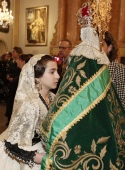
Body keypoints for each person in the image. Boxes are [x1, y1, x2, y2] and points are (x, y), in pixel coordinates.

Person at [41, 1, 125, 169]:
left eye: (102, 43)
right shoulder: (84, 62)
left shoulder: (117, 69)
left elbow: (120, 100)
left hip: (106, 126)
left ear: (110, 47)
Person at [0, 54, 60, 170]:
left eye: (57, 71)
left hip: (47, 149)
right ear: (36, 77)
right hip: (28, 152)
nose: (57, 76)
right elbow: (11, 144)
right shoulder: (30, 103)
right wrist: (36, 157)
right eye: (52, 72)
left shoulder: (53, 97)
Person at [5, 54, 32, 126]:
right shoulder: (22, 71)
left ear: (23, 61)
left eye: (19, 60)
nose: (16, 61)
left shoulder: (26, 73)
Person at [102, 31, 125, 111]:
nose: (97, 48)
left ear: (110, 47)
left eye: (101, 44)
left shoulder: (120, 70)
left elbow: (122, 101)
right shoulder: (94, 69)